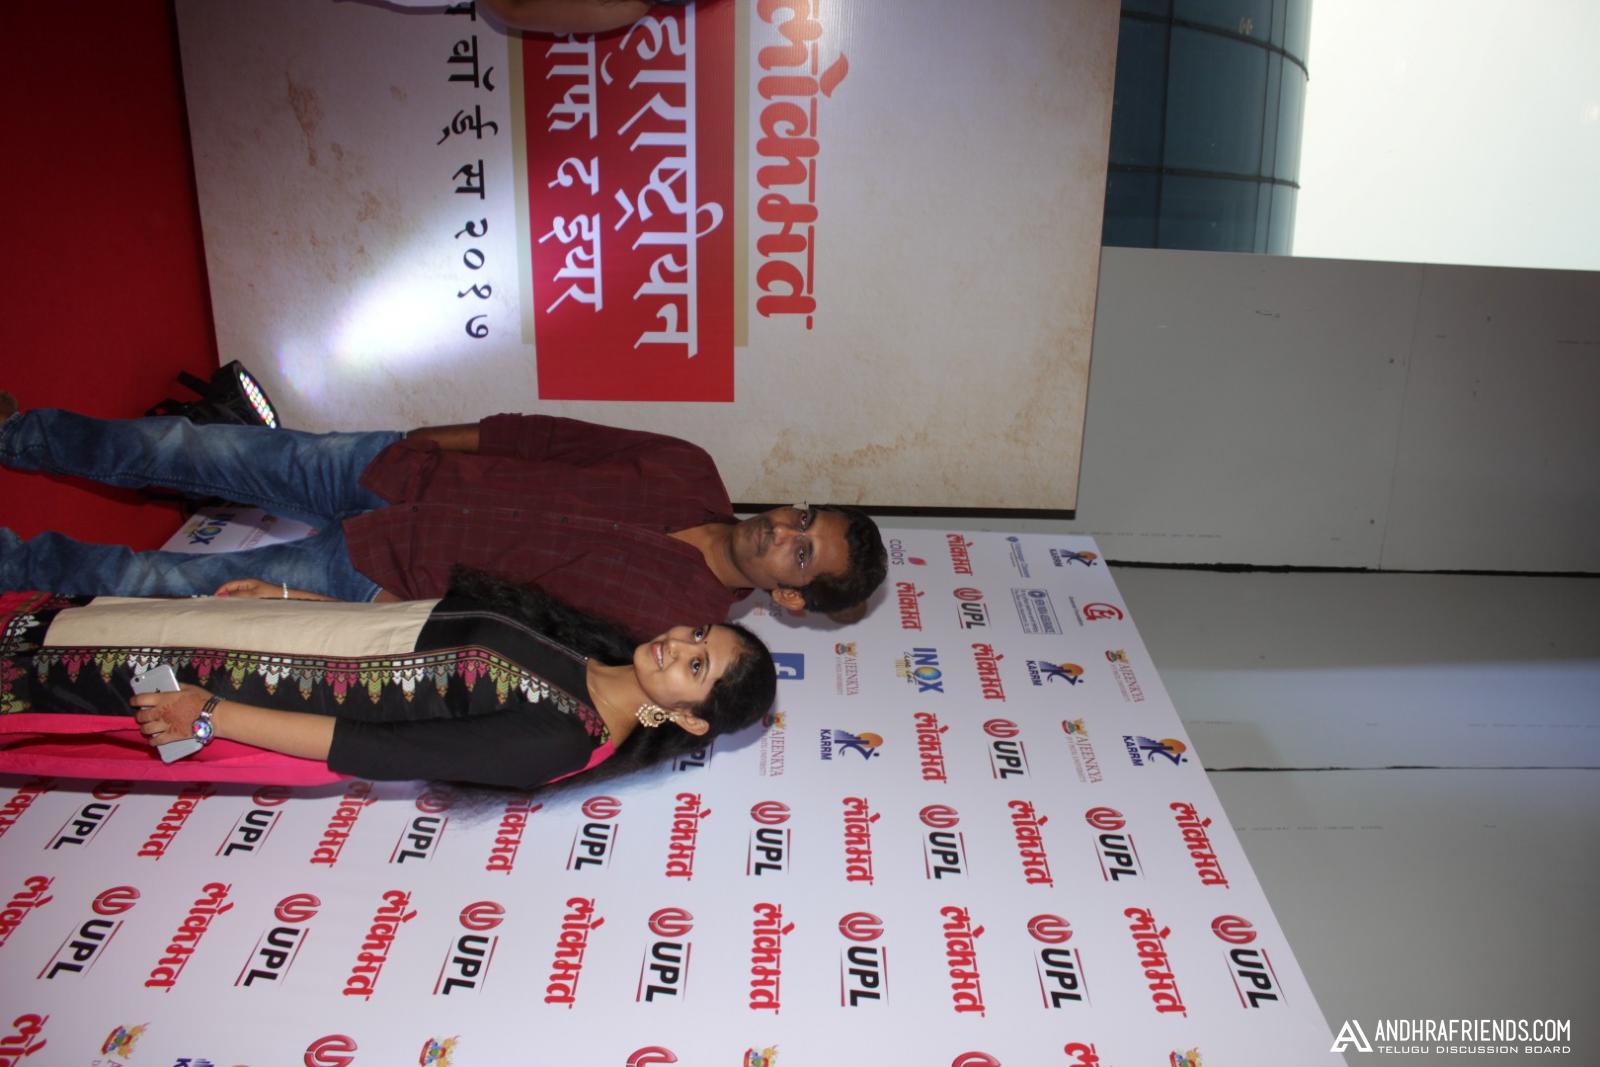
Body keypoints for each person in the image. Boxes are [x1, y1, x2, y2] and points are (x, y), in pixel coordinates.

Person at [0, 396, 887, 640]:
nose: (784, 530)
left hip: (380, 573)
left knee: (164, 582)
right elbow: (544, 436)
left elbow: (515, 632)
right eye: (803, 515)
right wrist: (421, 437)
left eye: (802, 554)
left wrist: (393, 611)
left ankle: (14, 563)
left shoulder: (676, 631)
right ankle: (23, 435)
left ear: (791, 599)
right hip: (391, 468)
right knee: (192, 449)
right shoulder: (691, 467)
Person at [0, 567, 776, 790]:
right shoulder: (580, 646)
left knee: (60, 683)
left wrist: (211, 716)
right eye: (696, 633)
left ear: (691, 718)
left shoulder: (568, 739)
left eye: (696, 665)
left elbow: (373, 749)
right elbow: (411, 624)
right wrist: (289, 600)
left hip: (252, 700)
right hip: (266, 637)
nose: (676, 644)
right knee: (86, 624)